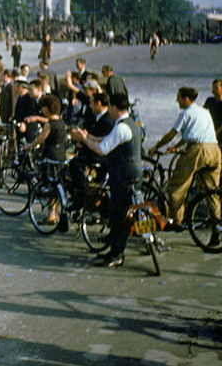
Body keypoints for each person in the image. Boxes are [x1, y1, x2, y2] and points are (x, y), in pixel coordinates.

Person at [70, 94, 142, 268]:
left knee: (118, 215)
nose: (109, 110)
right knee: (115, 213)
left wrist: (84, 140)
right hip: (125, 174)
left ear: (115, 108)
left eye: (110, 107)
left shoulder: (122, 128)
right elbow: (105, 140)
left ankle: (117, 254)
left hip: (124, 176)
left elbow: (102, 149)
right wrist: (88, 136)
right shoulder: (126, 123)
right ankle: (113, 250)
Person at [147, 87, 221, 229]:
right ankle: (216, 227)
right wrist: (177, 147)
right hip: (214, 149)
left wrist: (155, 147)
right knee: (211, 191)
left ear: (186, 99)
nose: (176, 100)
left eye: (178, 97)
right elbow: (193, 132)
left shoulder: (185, 114)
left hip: (197, 151)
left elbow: (171, 134)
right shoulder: (204, 112)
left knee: (176, 186)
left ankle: (176, 221)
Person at [24, 95, 68, 226]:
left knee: (48, 185)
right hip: (61, 154)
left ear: (47, 109)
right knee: (58, 185)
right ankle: (55, 212)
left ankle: (51, 215)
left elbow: (40, 139)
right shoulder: (61, 122)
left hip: (50, 154)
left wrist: (29, 145)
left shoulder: (49, 125)